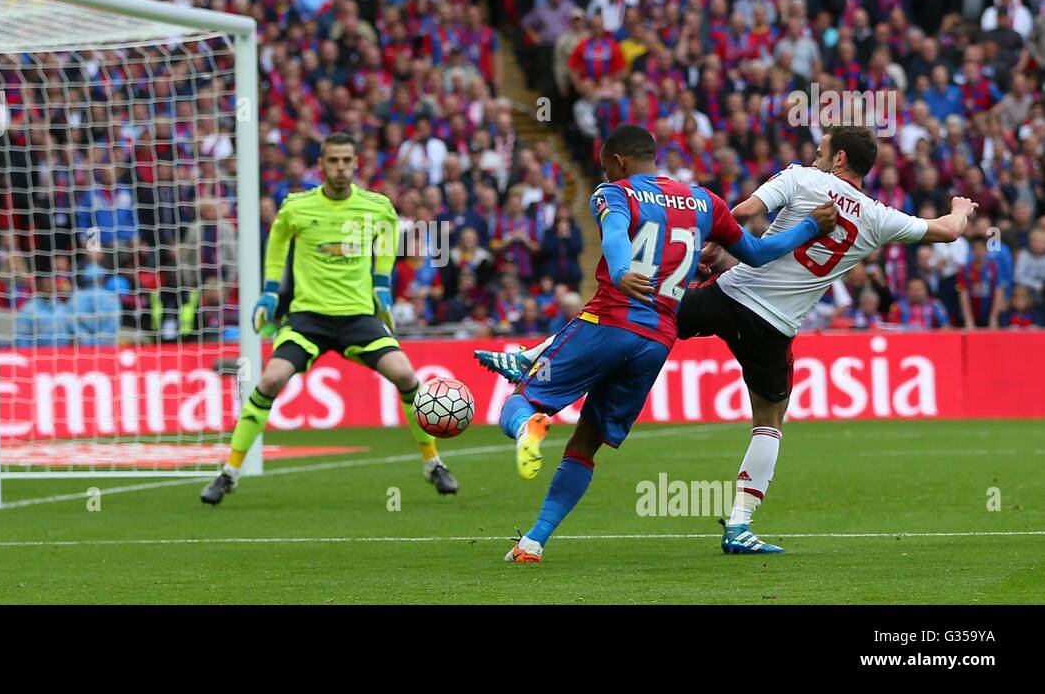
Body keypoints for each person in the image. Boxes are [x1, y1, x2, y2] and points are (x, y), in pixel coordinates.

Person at [481, 125, 978, 556]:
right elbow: (947, 231)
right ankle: (740, 525)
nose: (814, 155)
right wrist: (960, 207)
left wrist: (715, 244)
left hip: (728, 295)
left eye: (822, 148)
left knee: (644, 308)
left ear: (839, 158)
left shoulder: (800, 178)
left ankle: (531, 357)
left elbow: (740, 211)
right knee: (769, 421)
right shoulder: (878, 217)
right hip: (776, 326)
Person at [496, 125, 835, 563]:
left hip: (609, 319)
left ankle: (530, 426)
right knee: (586, 444)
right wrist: (809, 225)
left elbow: (616, 235)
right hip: (657, 341)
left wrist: (620, 271)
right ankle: (532, 543)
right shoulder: (703, 201)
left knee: (521, 400)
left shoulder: (613, 192)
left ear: (617, 162)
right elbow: (755, 250)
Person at [200, 133, 458, 505]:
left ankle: (433, 463)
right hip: (308, 319)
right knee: (271, 379)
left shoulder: (376, 206)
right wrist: (272, 290)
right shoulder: (296, 207)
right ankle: (229, 472)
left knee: (406, 375)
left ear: (356, 164)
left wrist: (382, 283)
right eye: (333, 161)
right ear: (320, 165)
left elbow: (386, 239)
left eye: (346, 161)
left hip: (357, 317)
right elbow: (277, 241)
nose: (340, 168)